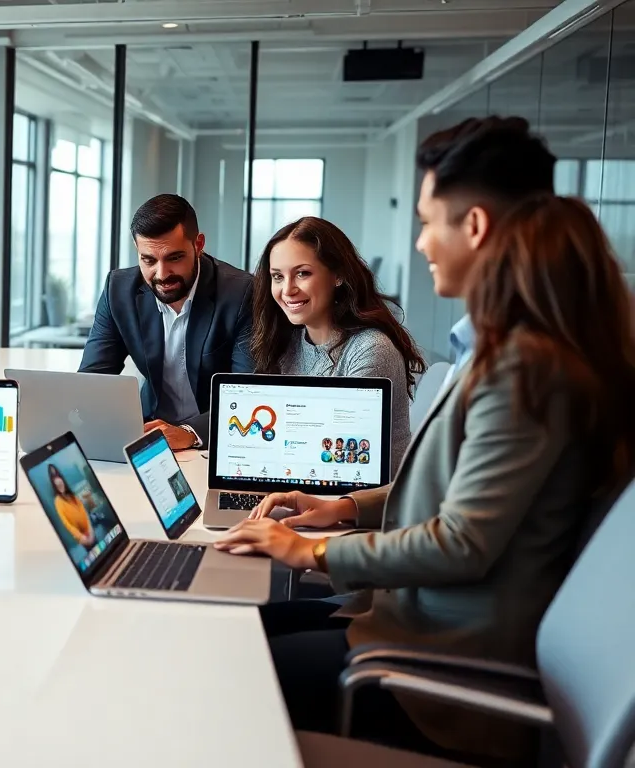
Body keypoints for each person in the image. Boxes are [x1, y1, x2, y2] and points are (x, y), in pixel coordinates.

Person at [216, 125, 635, 762]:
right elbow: (446, 497)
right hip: (409, 631)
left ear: (473, 226)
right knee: (229, 630)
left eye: (427, 220)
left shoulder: (526, 366)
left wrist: (310, 551)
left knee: (221, 672)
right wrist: (341, 509)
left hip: (435, 674)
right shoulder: (508, 348)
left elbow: (461, 543)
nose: (419, 242)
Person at [80, 194, 254, 451]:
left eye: (174, 258)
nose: (161, 275)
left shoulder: (242, 293)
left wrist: (189, 433)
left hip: (217, 442)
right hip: (150, 435)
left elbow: (246, 393)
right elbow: (93, 380)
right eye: (148, 260)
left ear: (199, 245)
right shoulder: (119, 290)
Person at [252, 216, 424, 469]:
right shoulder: (286, 341)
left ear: (338, 275)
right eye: (277, 277)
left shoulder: (370, 349)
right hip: (304, 481)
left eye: (302, 273)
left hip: (357, 499)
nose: (287, 289)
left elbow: (336, 458)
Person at [49, 464, 94, 546]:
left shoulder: (72, 495)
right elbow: (67, 524)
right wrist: (81, 537)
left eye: (57, 475)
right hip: (82, 539)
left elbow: (84, 511)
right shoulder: (58, 501)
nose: (57, 480)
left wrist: (90, 530)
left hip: (90, 533)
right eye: (53, 478)